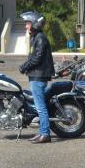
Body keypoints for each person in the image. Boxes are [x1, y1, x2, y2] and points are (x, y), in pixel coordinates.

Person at [18, 11, 55, 144]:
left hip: (38, 77)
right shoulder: (37, 37)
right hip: (36, 76)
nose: (26, 26)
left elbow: (37, 58)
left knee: (40, 107)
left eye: (28, 23)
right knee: (40, 106)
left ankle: (45, 134)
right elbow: (35, 57)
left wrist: (24, 66)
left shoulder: (40, 38)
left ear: (34, 24)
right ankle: (41, 133)